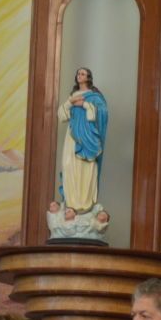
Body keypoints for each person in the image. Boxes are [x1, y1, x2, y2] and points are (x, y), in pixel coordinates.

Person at [57, 66, 108, 213]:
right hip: (72, 136)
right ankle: (71, 204)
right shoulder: (72, 95)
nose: (79, 75)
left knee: (86, 168)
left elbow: (101, 113)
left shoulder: (94, 96)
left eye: (83, 73)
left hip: (87, 137)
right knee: (69, 165)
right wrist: (70, 102)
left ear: (88, 78)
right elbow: (61, 115)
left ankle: (85, 205)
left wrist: (85, 105)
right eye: (78, 73)